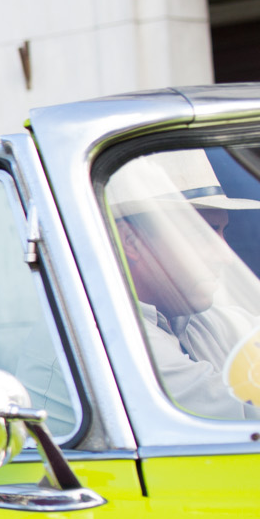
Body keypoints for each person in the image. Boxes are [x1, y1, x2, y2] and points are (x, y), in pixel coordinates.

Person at [107, 150, 260, 418]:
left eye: (222, 232)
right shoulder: (112, 339)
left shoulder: (189, 318)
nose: (225, 256)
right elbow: (243, 412)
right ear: (131, 241)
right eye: (203, 233)